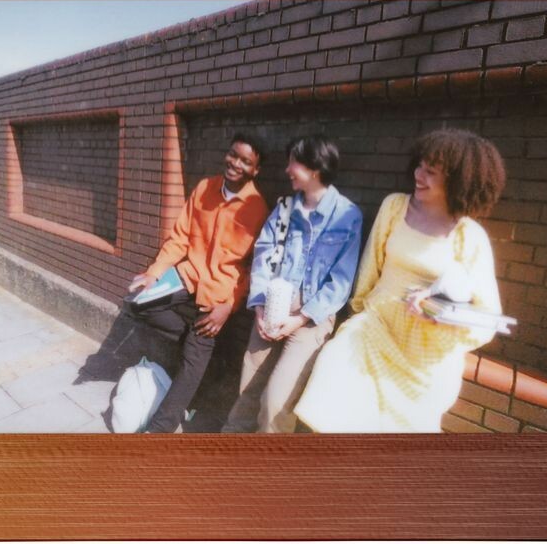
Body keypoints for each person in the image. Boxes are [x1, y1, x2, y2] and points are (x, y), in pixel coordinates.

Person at [294, 128, 506, 433]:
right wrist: (357, 313)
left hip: (424, 356)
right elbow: (369, 269)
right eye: (420, 166)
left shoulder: (470, 237)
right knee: (331, 382)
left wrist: (440, 317)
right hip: (375, 327)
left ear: (457, 181)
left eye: (431, 172)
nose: (418, 175)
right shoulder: (394, 207)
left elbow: (487, 319)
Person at [221, 135, 363, 433]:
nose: (287, 170)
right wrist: (260, 309)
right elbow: (263, 256)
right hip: (271, 307)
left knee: (277, 401)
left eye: (293, 163)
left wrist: (298, 319)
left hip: (311, 318)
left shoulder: (347, 216)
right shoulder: (284, 209)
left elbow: (341, 281)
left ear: (315, 169)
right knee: (248, 390)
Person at [129, 134, 269, 433]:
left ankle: (159, 429)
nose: (236, 164)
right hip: (187, 276)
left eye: (246, 161)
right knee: (138, 302)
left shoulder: (258, 208)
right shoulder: (205, 188)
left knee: (192, 365)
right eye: (233, 155)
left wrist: (229, 306)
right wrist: (155, 273)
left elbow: (254, 268)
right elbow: (180, 237)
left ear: (255, 170)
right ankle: (198, 341)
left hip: (218, 294)